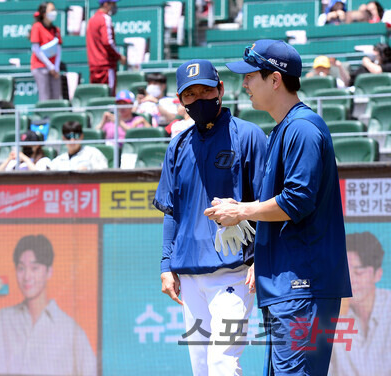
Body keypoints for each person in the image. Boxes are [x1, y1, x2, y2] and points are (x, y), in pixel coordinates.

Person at [205, 39, 352, 376]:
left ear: (275, 79)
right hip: (288, 283)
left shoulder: (301, 128)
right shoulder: (283, 130)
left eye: (251, 76)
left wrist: (241, 211)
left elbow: (297, 201)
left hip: (303, 284)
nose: (244, 83)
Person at [153, 59, 267, 375]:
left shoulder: (249, 136)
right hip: (189, 275)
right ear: (181, 101)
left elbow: (269, 204)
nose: (199, 98)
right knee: (201, 366)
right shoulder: (177, 146)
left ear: (220, 89)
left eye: (205, 90)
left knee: (223, 360)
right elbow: (171, 211)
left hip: (233, 271)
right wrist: (166, 265)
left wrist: (263, 257)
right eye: (190, 94)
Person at [0, 234, 96, 375]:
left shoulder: (70, 330)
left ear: (49, 272)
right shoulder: (4, 319)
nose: (27, 276)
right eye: (21, 268)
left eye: (34, 268)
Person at [329, 231, 391, 376]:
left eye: (358, 273)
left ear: (378, 274)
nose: (350, 281)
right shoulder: (332, 312)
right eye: (345, 273)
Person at [86, 0, 127, 96]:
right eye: (113, 4)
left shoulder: (91, 20)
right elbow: (108, 42)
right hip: (106, 66)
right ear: (105, 4)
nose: (114, 6)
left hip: (94, 67)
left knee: (96, 97)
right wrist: (119, 56)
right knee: (109, 98)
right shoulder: (105, 18)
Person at [30, 2, 63, 101]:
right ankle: (45, 117)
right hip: (40, 67)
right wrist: (50, 66)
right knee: (45, 97)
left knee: (56, 97)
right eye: (51, 10)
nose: (54, 12)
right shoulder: (37, 27)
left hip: (54, 69)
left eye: (54, 10)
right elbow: (36, 48)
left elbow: (58, 48)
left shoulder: (55, 29)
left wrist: (56, 67)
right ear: (44, 13)